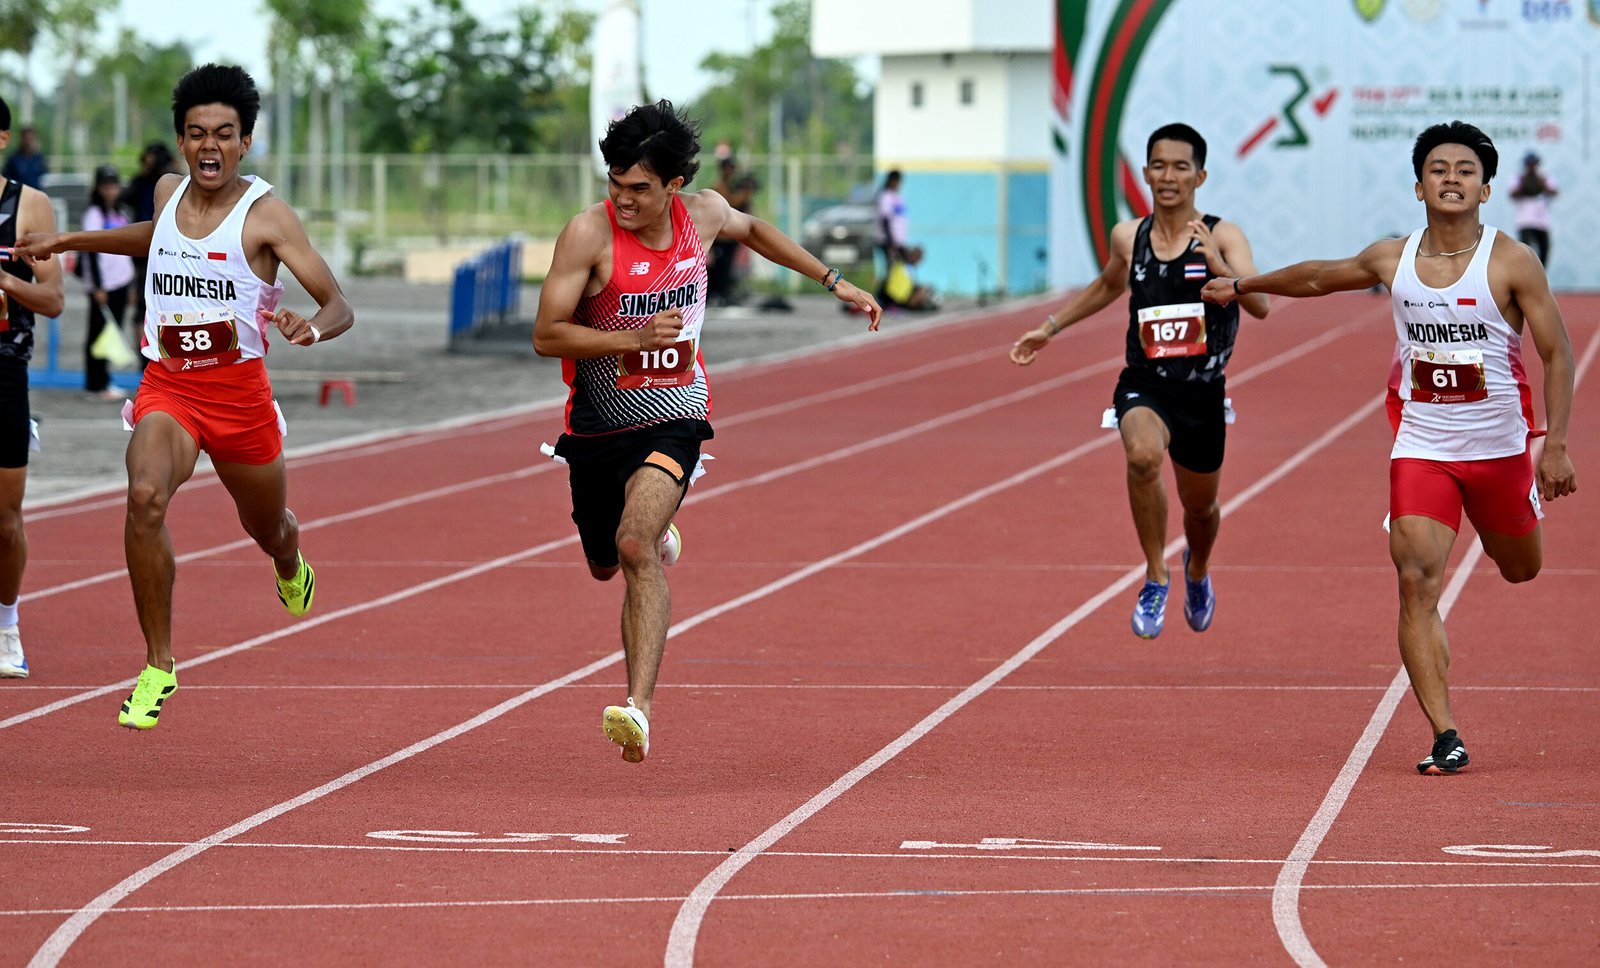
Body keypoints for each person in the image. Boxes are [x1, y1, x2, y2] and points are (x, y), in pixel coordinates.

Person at [1200, 120, 1577, 775]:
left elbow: (1558, 353)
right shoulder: (1392, 258)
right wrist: (1242, 286)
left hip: (1500, 449)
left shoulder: (1511, 261)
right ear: (1417, 184)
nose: (1451, 178)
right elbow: (1321, 276)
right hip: (1423, 445)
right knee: (1414, 580)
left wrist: (1557, 447)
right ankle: (1445, 733)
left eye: (1465, 170)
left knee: (1521, 568)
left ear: (1486, 189)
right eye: (1438, 169)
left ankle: (1508, 530)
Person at [533, 99, 881, 764]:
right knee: (605, 563)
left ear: (674, 186)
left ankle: (637, 708)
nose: (623, 199)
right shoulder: (588, 236)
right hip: (597, 427)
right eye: (614, 184)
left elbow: (755, 231)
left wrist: (833, 280)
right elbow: (546, 334)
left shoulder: (706, 216)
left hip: (678, 416)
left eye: (639, 188)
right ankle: (657, 530)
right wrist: (631, 335)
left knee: (633, 547)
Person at [13, 64, 355, 729]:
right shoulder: (169, 192)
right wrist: (67, 240)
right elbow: (157, 239)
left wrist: (310, 327)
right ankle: (158, 664)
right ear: (180, 140)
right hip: (169, 384)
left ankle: (288, 559)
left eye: (224, 135)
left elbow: (337, 300)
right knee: (143, 497)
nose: (209, 147)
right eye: (196, 133)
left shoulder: (266, 215)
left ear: (245, 142)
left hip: (240, 397)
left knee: (267, 526)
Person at [1011, 123, 1270, 640]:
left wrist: (1219, 267)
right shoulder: (1129, 236)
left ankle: (1197, 570)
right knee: (1143, 457)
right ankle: (1156, 574)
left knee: (1201, 509)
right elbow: (1109, 284)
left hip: (1202, 392)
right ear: (1146, 172)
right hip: (1145, 382)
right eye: (1158, 165)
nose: (1168, 176)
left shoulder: (1222, 235)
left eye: (1180, 167)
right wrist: (1050, 327)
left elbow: (1260, 305)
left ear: (1200, 175)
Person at [0, 97, 66, 679]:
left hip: (4, 373)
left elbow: (53, 299)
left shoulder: (28, 206)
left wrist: (3, 279)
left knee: (5, 518)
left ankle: (7, 626)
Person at [81, 165, 137, 399]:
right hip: (103, 285)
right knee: (98, 333)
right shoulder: (94, 214)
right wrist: (98, 286)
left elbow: (129, 248)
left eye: (114, 185)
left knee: (112, 332)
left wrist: (132, 284)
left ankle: (104, 379)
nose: (111, 189)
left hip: (121, 282)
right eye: (106, 185)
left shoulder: (121, 213)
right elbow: (91, 251)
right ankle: (96, 383)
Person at [123, 142, 181, 348]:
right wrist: (145, 172)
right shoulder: (140, 182)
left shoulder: (177, 182)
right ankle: (144, 352)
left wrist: (174, 169)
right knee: (143, 304)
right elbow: (125, 198)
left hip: (173, 250)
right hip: (144, 250)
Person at [706, 157, 753, 306]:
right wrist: (745, 193)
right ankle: (716, 294)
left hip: (730, 235)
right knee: (719, 268)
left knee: (726, 268)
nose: (731, 171)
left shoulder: (730, 185)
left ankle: (723, 294)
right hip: (720, 236)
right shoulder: (719, 186)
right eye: (729, 168)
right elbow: (729, 204)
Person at [1509, 151, 1557, 266]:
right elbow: (1513, 194)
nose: (1531, 166)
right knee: (1525, 252)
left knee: (1544, 250)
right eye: (1529, 164)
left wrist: (1541, 183)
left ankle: (1540, 276)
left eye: (1533, 163)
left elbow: (1554, 192)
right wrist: (1524, 183)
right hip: (1524, 221)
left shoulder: (1544, 178)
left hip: (1541, 221)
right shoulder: (1519, 179)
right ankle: (1526, 277)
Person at [875, 169, 907, 300]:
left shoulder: (897, 196)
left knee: (894, 271)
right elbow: (885, 219)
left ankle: (889, 298)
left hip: (897, 241)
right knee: (890, 271)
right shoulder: (885, 196)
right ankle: (884, 299)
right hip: (887, 241)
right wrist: (890, 242)